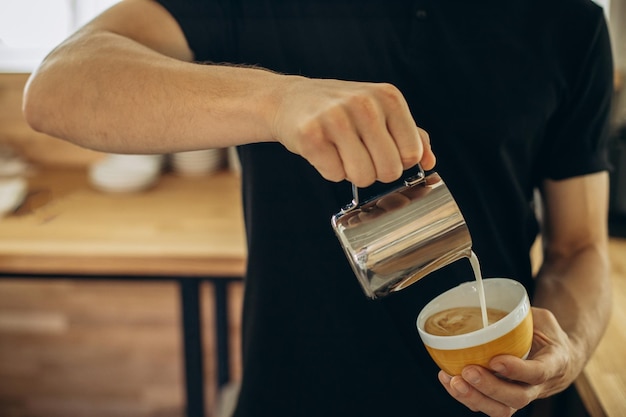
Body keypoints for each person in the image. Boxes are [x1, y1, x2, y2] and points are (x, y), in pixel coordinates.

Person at [23, 0, 614, 416]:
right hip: (295, 389)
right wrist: (276, 100)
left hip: (498, 401)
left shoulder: (570, 21)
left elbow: (580, 247)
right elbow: (57, 88)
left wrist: (569, 349)